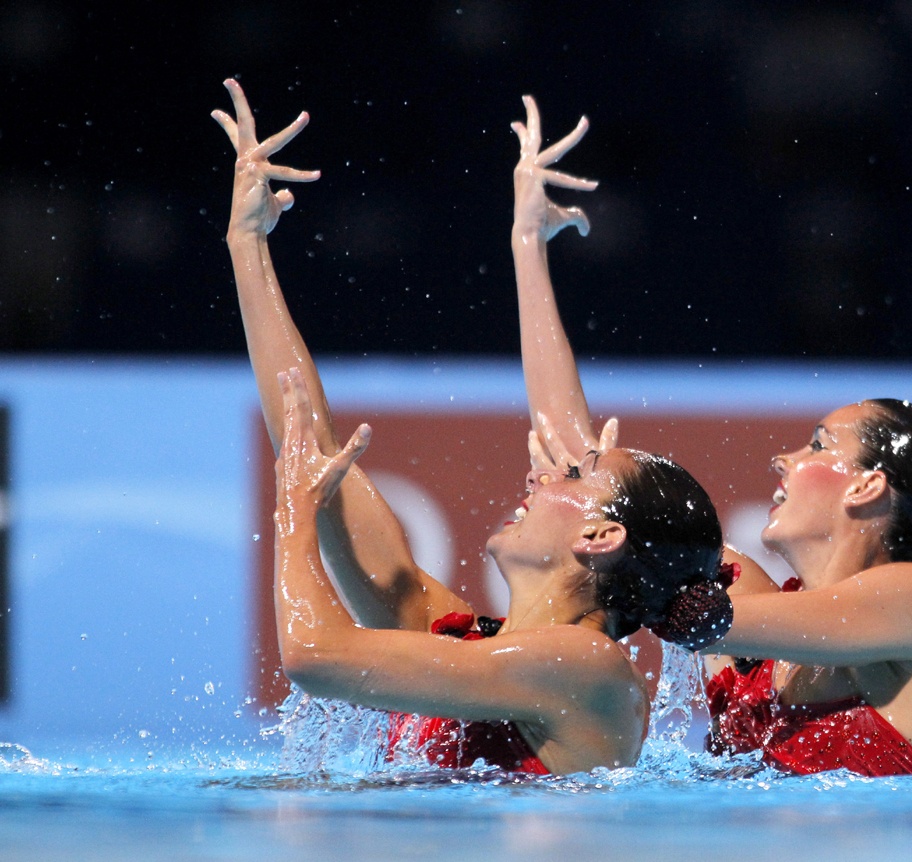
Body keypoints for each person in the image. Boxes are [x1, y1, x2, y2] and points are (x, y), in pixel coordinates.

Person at [211, 79, 733, 776]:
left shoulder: (590, 665)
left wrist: (293, 518)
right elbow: (310, 442)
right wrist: (247, 245)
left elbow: (314, 657)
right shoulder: (458, 635)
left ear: (600, 537)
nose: (541, 470)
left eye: (573, 475)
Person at [507, 95, 912, 776]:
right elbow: (581, 468)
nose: (785, 457)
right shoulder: (754, 606)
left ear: (868, 485)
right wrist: (526, 246)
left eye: (819, 446)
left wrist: (637, 549)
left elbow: (702, 615)